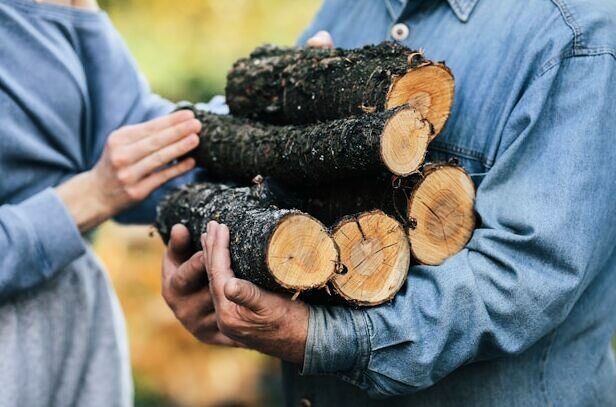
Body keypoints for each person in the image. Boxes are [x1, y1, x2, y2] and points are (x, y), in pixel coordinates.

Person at [162, 0, 616, 406]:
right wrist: (221, 285)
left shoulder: (577, 37)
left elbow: (525, 277)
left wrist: (319, 337)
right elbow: (274, 174)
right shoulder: (348, 9)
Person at [0, 0, 225, 405]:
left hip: (72, 338)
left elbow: (129, 135)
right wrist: (90, 197)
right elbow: (106, 180)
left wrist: (277, 113)